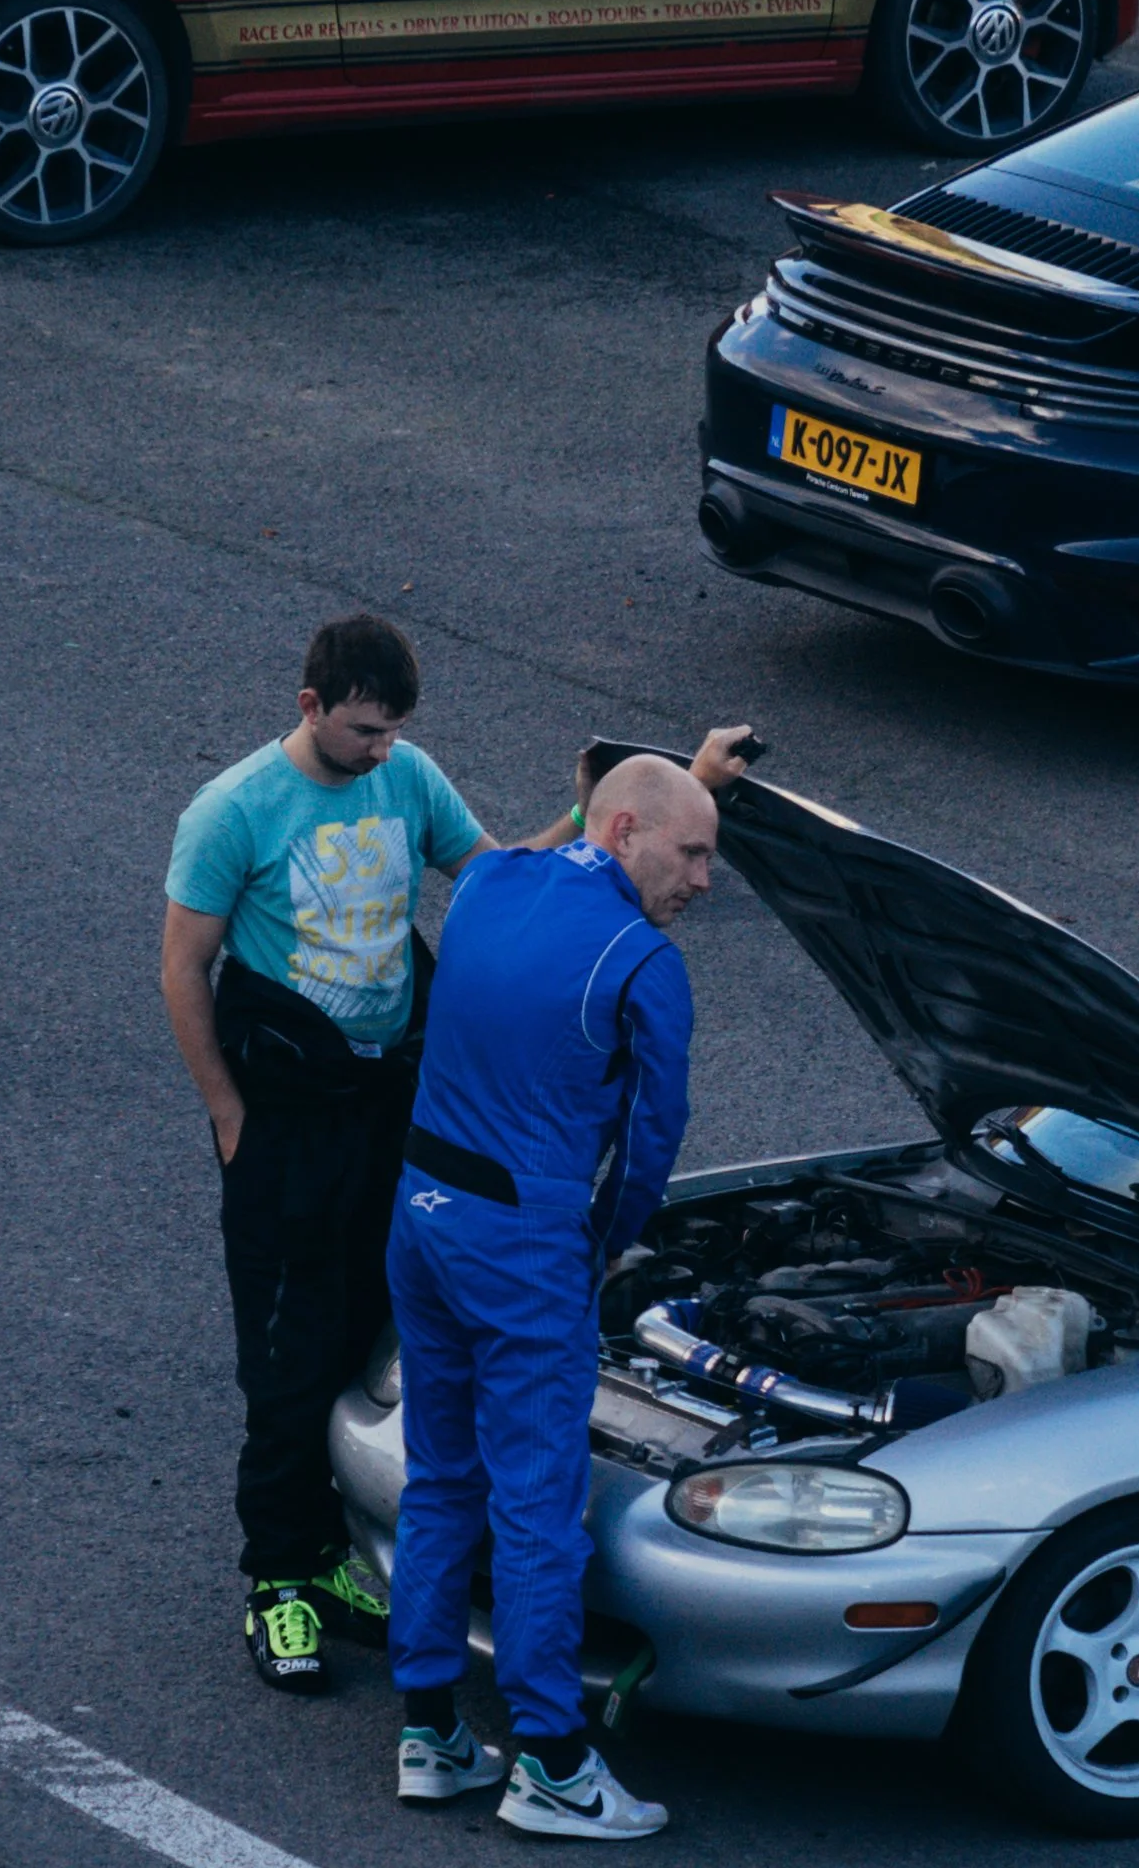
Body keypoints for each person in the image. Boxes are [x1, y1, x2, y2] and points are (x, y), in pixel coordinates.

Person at [162, 618, 746, 1694]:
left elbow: (502, 880)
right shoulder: (234, 810)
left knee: (356, 1328)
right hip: (285, 1114)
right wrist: (228, 1113)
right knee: (286, 1350)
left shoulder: (408, 779)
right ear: (310, 704)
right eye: (364, 729)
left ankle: (333, 1553)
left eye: (394, 732)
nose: (382, 750)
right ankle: (279, 1578)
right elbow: (183, 967)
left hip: (384, 1101)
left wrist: (634, 800)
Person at [385, 754, 724, 1840]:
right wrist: (601, 1251)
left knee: (441, 1475)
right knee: (538, 1506)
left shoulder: (487, 884)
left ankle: (430, 1729)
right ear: (625, 830)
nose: (707, 879)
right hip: (522, 1242)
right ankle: (554, 1761)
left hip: (420, 1212)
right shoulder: (641, 962)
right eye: (694, 850)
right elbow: (647, 1150)